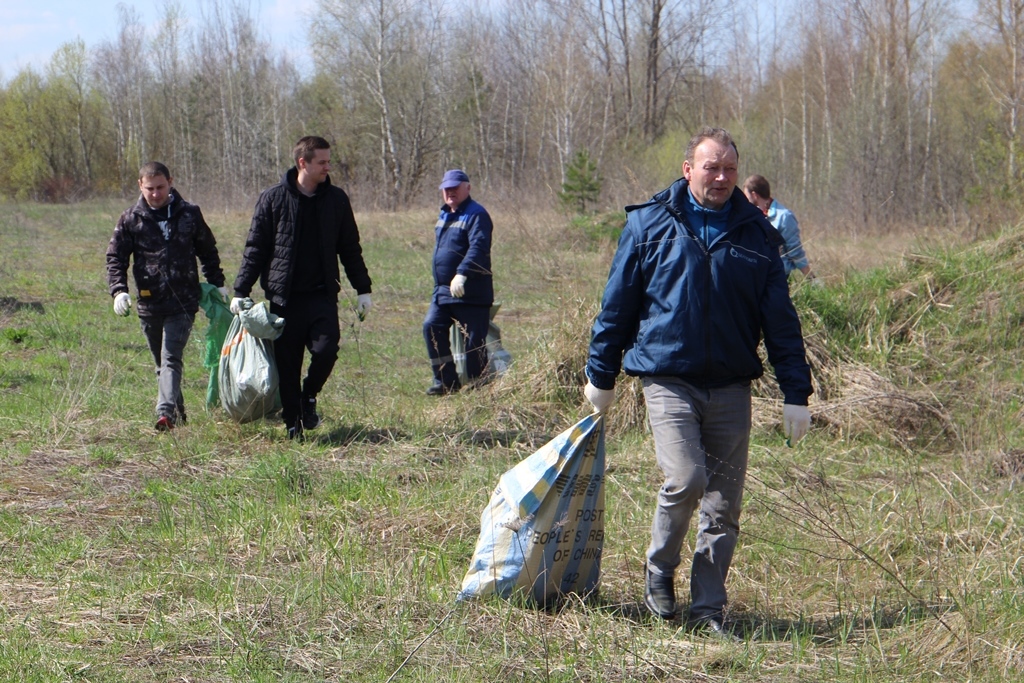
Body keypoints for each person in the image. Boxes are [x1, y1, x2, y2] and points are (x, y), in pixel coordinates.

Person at [583, 127, 813, 637]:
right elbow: (617, 306)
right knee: (686, 479)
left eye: (730, 168)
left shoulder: (758, 235)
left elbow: (780, 320)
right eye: (712, 167)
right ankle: (659, 570)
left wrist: (796, 392)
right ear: (688, 169)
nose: (722, 177)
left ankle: (708, 607)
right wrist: (601, 374)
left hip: (731, 384)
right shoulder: (649, 225)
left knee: (725, 504)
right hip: (667, 377)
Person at [231, 136, 373, 440]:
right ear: (303, 163)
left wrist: (363, 289)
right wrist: (240, 290)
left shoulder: (336, 200)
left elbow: (350, 248)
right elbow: (255, 247)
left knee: (326, 349)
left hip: (322, 295)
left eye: (328, 161)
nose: (328, 167)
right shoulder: (272, 199)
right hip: (284, 298)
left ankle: (310, 396)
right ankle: (293, 423)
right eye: (321, 162)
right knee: (288, 363)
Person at [106, 161, 229, 431]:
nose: (155, 193)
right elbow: (116, 257)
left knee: (171, 357)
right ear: (140, 185)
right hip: (149, 302)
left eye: (160, 187)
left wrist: (217, 283)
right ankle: (178, 415)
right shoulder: (130, 219)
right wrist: (119, 290)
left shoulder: (189, 214)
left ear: (170, 182)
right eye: (149, 188)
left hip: (184, 301)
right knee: (161, 363)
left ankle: (164, 413)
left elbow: (207, 250)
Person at [422, 169, 494, 395]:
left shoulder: (477, 214)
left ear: (468, 188)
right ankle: (446, 381)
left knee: (473, 343)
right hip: (443, 292)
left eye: (455, 187)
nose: (450, 192)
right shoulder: (444, 214)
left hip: (471, 292)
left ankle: (478, 384)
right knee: (432, 327)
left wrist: (462, 273)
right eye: (447, 188)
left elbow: (479, 248)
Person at [742, 174, 817, 280]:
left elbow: (795, 251)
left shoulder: (784, 217)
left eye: (746, 196)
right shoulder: (752, 217)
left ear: (754, 195)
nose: (745, 200)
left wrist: (811, 278)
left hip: (777, 277)